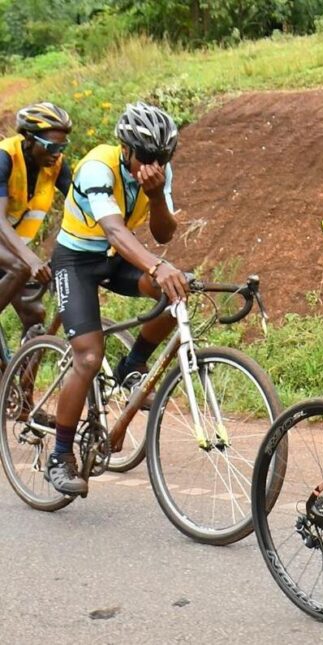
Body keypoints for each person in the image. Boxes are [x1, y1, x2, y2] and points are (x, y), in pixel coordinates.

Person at [45, 102, 189, 497]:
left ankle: (133, 362)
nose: (151, 165)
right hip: (76, 260)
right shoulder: (97, 167)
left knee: (176, 290)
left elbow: (163, 235)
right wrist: (157, 266)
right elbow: (114, 231)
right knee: (88, 357)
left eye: (160, 158)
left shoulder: (158, 174)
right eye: (144, 156)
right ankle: (59, 456)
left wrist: (157, 195)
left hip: (112, 260)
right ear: (125, 148)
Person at [0, 103, 73, 339]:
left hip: (10, 245)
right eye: (51, 146)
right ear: (29, 139)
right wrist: (31, 260)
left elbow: (83, 204)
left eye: (62, 147)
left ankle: (20, 376)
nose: (57, 153)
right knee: (20, 267)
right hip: (5, 239)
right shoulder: (5, 157)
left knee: (34, 315)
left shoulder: (56, 165)